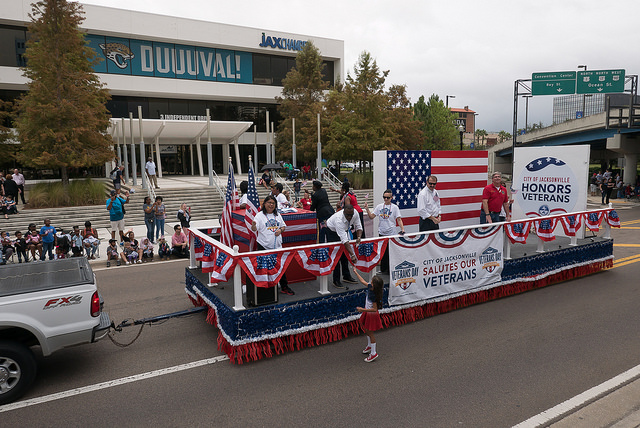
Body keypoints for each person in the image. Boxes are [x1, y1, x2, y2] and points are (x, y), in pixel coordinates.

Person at [250, 194, 295, 295]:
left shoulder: (277, 215)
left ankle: (284, 287)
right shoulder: (259, 215)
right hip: (264, 246)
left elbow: (283, 226)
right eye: (269, 203)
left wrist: (280, 230)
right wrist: (253, 225)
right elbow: (254, 228)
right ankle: (265, 288)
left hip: (277, 246)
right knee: (264, 268)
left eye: (273, 203)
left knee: (280, 267)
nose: (271, 205)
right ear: (264, 204)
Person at [364, 189, 405, 272]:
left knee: (390, 252)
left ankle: (390, 269)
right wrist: (367, 209)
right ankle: (383, 269)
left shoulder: (395, 207)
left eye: (387, 197)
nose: (386, 199)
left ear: (391, 198)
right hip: (382, 232)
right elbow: (372, 216)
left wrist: (402, 229)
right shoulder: (379, 206)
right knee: (382, 252)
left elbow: (399, 219)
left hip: (391, 232)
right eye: (384, 197)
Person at [326, 205, 361, 289]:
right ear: (343, 213)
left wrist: (359, 237)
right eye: (347, 215)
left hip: (344, 230)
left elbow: (359, 226)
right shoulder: (339, 220)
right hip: (332, 231)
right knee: (337, 255)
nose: (349, 217)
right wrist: (352, 255)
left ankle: (346, 276)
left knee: (345, 254)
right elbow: (344, 240)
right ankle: (336, 280)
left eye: (351, 215)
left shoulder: (355, 213)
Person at [354, 268, 383, 363]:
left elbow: (375, 309)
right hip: (367, 313)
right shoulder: (371, 287)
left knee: (370, 333)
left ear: (374, 285)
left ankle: (373, 352)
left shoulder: (373, 296)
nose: (370, 282)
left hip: (371, 315)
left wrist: (363, 310)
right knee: (365, 329)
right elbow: (362, 281)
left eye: (372, 281)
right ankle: (370, 345)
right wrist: (356, 272)